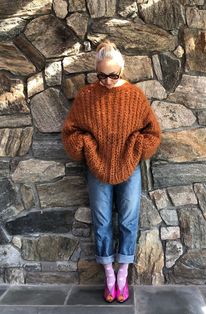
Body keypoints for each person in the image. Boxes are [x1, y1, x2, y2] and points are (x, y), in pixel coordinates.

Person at [61, 39, 161, 303]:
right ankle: (108, 273)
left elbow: (152, 132)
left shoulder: (134, 95)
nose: (107, 80)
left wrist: (138, 147)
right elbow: (71, 131)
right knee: (102, 222)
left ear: (122, 70)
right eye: (101, 75)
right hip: (97, 166)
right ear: (97, 71)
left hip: (129, 167)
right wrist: (84, 146)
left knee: (128, 221)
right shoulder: (87, 96)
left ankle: (123, 274)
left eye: (112, 75)